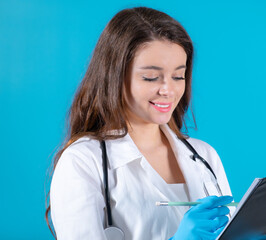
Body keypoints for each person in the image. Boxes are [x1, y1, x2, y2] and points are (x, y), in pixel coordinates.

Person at [46, 6, 235, 240]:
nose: (168, 90)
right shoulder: (83, 162)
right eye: (151, 77)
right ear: (114, 76)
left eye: (178, 76)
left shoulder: (205, 155)